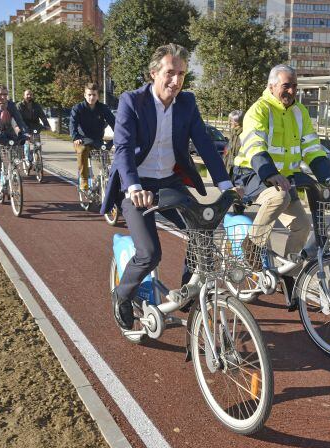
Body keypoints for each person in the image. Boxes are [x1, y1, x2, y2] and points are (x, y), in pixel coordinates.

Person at [99, 43, 238, 330]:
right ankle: (122, 295)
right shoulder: (132, 101)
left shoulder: (187, 103)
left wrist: (227, 185)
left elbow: (205, 146)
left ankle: (188, 291)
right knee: (150, 253)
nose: (176, 81)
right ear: (154, 73)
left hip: (170, 182)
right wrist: (134, 187)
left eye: (182, 74)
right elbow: (123, 148)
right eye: (170, 73)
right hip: (136, 184)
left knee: (202, 232)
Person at [232, 64, 330, 262]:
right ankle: (251, 246)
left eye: (295, 86)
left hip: (284, 178)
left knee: (303, 226)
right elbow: (255, 145)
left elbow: (312, 148)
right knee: (279, 197)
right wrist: (270, 173)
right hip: (253, 172)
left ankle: (290, 276)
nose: (292, 91)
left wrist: (328, 178)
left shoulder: (300, 111)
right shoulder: (259, 110)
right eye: (286, 85)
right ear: (271, 86)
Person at [0, 84, 29, 201]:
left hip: (8, 135)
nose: (3, 97)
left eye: (5, 94)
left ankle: (13, 175)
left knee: (15, 156)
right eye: (0, 94)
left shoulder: (11, 105)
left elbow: (19, 119)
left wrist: (24, 131)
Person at [69, 82, 115, 191]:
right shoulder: (78, 108)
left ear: (98, 96)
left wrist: (117, 138)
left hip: (97, 141)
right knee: (83, 150)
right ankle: (84, 179)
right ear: (85, 95)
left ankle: (107, 180)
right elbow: (73, 125)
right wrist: (75, 137)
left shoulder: (103, 108)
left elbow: (115, 124)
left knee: (106, 162)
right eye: (89, 94)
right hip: (82, 140)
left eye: (94, 95)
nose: (91, 97)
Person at [16, 89, 51, 169]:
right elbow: (18, 118)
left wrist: (47, 125)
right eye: (27, 94)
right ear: (24, 96)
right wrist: (19, 127)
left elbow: (42, 116)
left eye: (30, 94)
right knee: (27, 143)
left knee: (37, 144)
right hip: (24, 126)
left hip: (35, 126)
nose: (29, 96)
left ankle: (38, 160)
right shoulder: (19, 105)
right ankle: (27, 159)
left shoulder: (36, 105)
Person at [224, 109, 244, 176]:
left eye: (231, 121)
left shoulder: (243, 134)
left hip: (239, 171)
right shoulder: (233, 133)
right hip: (229, 169)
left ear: (237, 122)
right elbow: (228, 153)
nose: (229, 122)